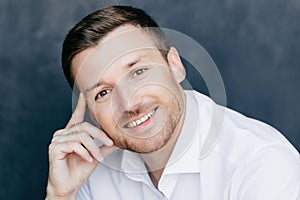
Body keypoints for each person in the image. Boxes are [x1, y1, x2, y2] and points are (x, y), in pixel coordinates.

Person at [46, 5, 300, 200]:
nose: (129, 103)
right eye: (103, 92)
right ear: (89, 109)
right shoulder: (88, 170)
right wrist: (60, 195)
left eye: (138, 72)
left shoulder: (262, 164)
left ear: (174, 65)